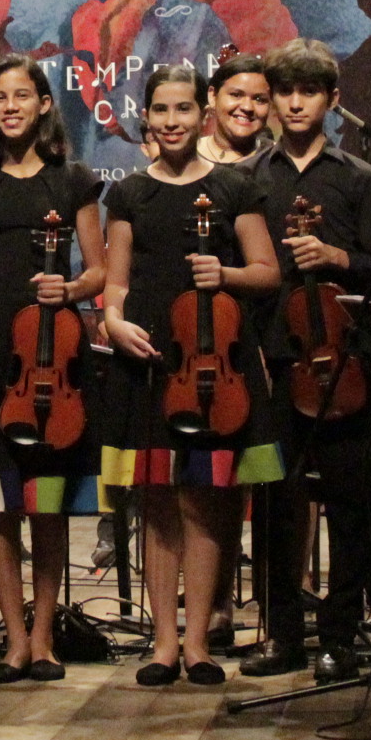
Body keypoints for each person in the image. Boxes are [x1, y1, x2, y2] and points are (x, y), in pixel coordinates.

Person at [100, 62, 283, 687]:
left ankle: (199, 642)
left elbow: (267, 272)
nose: (172, 120)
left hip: (215, 361)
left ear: (202, 115)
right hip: (151, 358)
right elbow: (116, 281)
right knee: (157, 503)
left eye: (183, 109)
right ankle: (163, 644)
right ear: (145, 118)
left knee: (206, 501)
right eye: (161, 110)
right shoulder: (128, 193)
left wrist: (224, 275)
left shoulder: (234, 187)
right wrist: (114, 323)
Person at [0, 55, 108, 681]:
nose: (10, 107)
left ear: (43, 104)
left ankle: (43, 638)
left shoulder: (73, 180)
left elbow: (97, 270)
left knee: (47, 500)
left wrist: (71, 290)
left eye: (21, 95)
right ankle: (12, 639)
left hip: (52, 348)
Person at [241, 39, 371, 684]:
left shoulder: (356, 177)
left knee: (351, 502)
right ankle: (282, 634)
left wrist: (335, 258)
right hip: (275, 357)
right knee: (277, 502)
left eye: (309, 91)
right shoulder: (252, 176)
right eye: (285, 91)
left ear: (332, 99)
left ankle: (341, 633)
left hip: (341, 361)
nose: (296, 103)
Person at [197, 51, 271, 167]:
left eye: (259, 99)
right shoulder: (184, 157)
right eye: (236, 95)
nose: (247, 107)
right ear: (213, 96)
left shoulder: (277, 161)